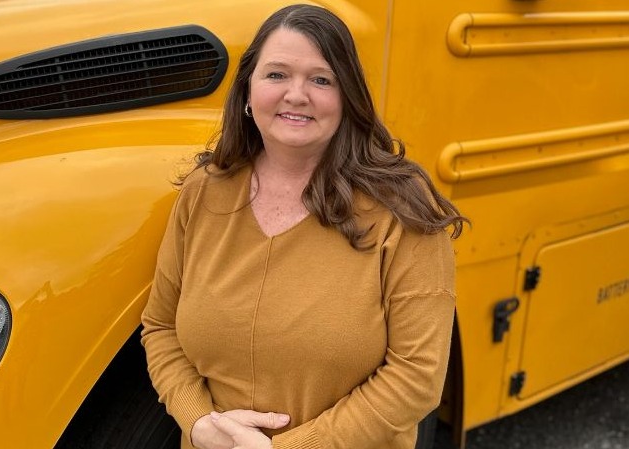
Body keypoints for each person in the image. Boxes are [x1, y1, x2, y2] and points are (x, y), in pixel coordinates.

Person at [141, 4, 466, 449]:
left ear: (347, 97)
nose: (297, 94)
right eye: (276, 75)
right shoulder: (204, 192)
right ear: (248, 92)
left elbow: (417, 376)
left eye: (321, 79)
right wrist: (199, 423)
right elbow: (160, 327)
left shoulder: (401, 208)